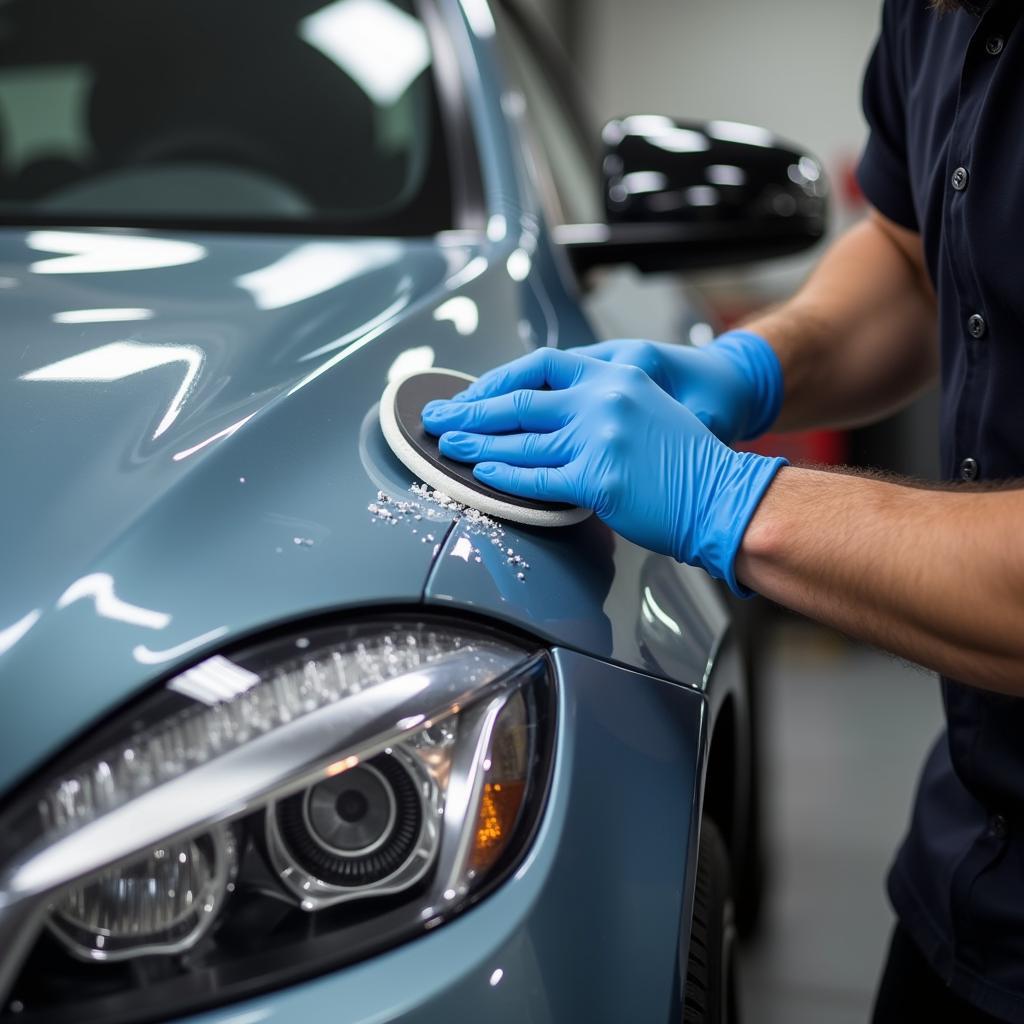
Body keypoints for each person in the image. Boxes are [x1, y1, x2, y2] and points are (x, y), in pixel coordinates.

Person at [421, 0, 1024, 1020]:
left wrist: (733, 500)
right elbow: (915, 255)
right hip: (970, 861)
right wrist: (750, 368)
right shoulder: (936, 14)